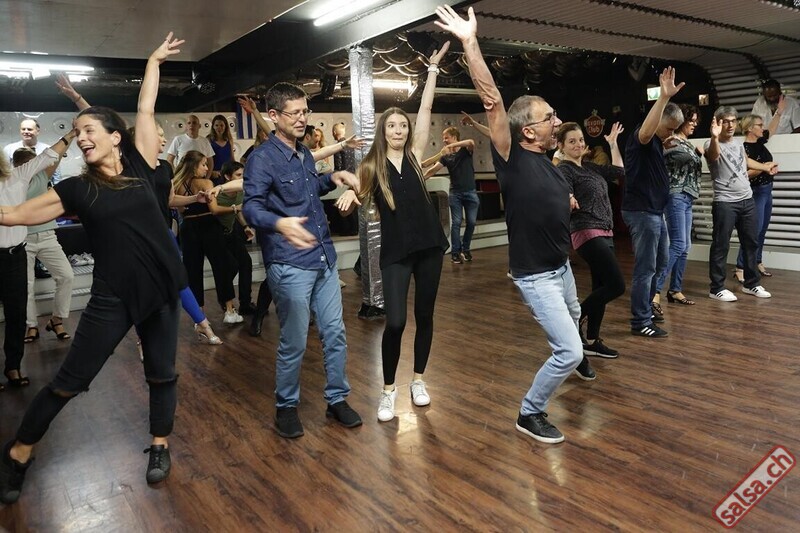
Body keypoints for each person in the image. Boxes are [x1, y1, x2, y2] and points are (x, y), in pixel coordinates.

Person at [0, 33, 186, 505]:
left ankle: (159, 444)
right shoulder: (77, 189)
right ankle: (19, 452)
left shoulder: (143, 165)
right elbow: (14, 214)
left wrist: (153, 60)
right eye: (77, 132)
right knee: (69, 382)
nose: (81, 137)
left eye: (88, 130)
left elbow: (145, 107)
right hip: (112, 296)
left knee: (162, 373)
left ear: (114, 137)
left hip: (161, 289)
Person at [436, 6, 595, 444]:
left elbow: (547, 197)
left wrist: (565, 201)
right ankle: (530, 412)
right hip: (536, 275)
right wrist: (470, 42)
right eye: (549, 118)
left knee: (575, 314)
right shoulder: (510, 155)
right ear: (527, 131)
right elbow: (491, 101)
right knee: (568, 349)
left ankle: (573, 354)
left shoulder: (546, 162)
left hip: (560, 267)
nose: (557, 121)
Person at [55, 75, 222, 346]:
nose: (163, 139)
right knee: (141, 286)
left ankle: (201, 323)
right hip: (135, 236)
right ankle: (150, 336)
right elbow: (102, 122)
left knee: (178, 280)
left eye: (163, 136)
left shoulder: (165, 168)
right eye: (159, 135)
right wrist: (77, 98)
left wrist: (196, 199)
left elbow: (169, 201)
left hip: (162, 233)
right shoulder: (132, 165)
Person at [336, 42, 451, 423]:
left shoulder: (415, 156)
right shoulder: (372, 165)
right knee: (397, 321)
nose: (399, 130)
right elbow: (359, 191)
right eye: (392, 126)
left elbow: (426, 110)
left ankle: (418, 380)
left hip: (430, 247)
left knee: (425, 316)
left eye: (403, 125)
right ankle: (388, 391)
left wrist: (431, 71)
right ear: (383, 131)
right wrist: (351, 195)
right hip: (397, 253)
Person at [242, 81, 362, 438]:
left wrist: (333, 178)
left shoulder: (305, 154)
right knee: (294, 340)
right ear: (273, 115)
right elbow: (251, 208)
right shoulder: (262, 159)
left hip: (323, 257)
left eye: (305, 111)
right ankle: (286, 407)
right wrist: (279, 223)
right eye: (294, 113)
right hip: (289, 262)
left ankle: (337, 399)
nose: (302, 119)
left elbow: (310, 189)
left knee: (335, 333)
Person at [0, 137, 73, 391]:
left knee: (16, 314)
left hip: (15, 255)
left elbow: (48, 156)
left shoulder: (18, 176)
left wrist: (72, 134)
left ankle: (13, 366)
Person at [621, 68, 685, 338]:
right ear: (658, 120)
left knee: (659, 265)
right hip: (641, 212)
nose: (671, 133)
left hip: (654, 212)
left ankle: (646, 310)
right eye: (669, 127)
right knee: (646, 269)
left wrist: (666, 143)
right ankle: (640, 322)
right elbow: (646, 133)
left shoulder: (657, 142)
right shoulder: (643, 136)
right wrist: (663, 97)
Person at [556, 122, 626, 359]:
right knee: (616, 285)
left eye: (580, 140)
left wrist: (613, 144)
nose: (578, 144)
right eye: (572, 141)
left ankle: (593, 340)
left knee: (600, 286)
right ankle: (574, 321)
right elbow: (563, 188)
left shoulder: (589, 167)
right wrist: (568, 196)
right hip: (586, 231)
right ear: (561, 146)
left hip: (605, 231)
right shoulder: (565, 169)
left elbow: (619, 172)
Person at [705, 107, 775, 302]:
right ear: (718, 123)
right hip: (725, 202)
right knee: (721, 245)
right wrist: (714, 137)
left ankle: (751, 284)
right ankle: (716, 288)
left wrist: (766, 167)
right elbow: (713, 157)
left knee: (751, 243)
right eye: (725, 121)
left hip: (747, 200)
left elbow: (746, 162)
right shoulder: (711, 143)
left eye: (733, 121)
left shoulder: (737, 143)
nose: (730, 125)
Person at [172, 151, 244, 324]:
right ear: (194, 166)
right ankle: (229, 310)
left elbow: (181, 210)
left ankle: (200, 316)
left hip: (188, 228)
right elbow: (215, 210)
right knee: (222, 267)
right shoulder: (206, 183)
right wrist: (236, 208)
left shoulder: (177, 184)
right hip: (209, 226)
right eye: (203, 164)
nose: (207, 168)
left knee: (193, 271)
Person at [12, 148, 74, 344]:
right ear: (18, 166)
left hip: (47, 236)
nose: (35, 167)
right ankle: (31, 326)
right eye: (30, 164)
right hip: (22, 239)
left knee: (66, 276)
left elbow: (56, 157)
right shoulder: (10, 182)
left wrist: (70, 137)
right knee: (26, 286)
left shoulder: (42, 176)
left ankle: (57, 320)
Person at [654, 104, 703, 307]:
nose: (694, 124)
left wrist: (698, 154)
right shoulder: (671, 141)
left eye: (696, 121)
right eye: (691, 120)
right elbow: (657, 158)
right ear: (681, 121)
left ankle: (675, 290)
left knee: (685, 246)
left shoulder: (687, 144)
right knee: (678, 244)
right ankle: (655, 289)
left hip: (688, 197)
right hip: (675, 195)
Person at [422, 126, 480, 264]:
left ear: (454, 137)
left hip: (470, 192)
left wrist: (451, 146)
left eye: (446, 137)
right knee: (456, 223)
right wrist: (421, 179)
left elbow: (471, 142)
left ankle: (466, 249)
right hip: (455, 194)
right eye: (443, 138)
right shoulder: (446, 156)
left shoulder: (466, 151)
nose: (444, 140)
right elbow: (432, 169)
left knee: (471, 222)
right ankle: (455, 253)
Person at [734, 115, 777, 283]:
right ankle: (740, 267)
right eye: (759, 125)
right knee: (753, 231)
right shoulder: (744, 148)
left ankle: (757, 261)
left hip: (767, 191)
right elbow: (745, 174)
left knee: (763, 229)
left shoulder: (759, 143)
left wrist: (779, 113)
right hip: (756, 192)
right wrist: (765, 167)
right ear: (750, 128)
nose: (762, 127)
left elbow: (771, 130)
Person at [214, 160, 256, 314]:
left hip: (231, 232)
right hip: (217, 234)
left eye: (243, 175)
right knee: (231, 266)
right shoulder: (217, 193)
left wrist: (245, 227)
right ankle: (225, 297)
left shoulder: (240, 192)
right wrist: (234, 208)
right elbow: (215, 211)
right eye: (238, 175)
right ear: (227, 176)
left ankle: (245, 303)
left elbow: (238, 212)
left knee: (246, 262)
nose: (242, 178)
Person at [4, 119, 64, 185]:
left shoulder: (48, 150)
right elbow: (3, 172)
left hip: (42, 188)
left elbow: (56, 175)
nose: (26, 131)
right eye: (23, 129)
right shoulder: (9, 149)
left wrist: (57, 189)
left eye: (29, 129)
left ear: (37, 131)